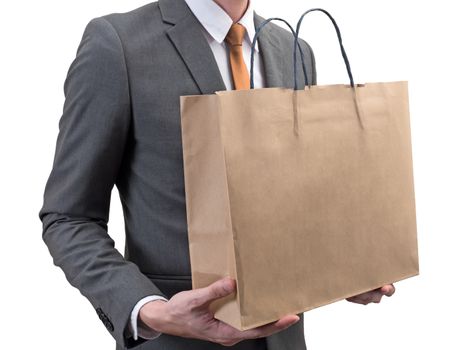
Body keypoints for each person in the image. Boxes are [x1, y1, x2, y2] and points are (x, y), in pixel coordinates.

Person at [39, 0, 395, 349]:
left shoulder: (294, 48)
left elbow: (294, 204)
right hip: (174, 344)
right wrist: (149, 309)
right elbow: (69, 217)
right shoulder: (118, 43)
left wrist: (343, 271)